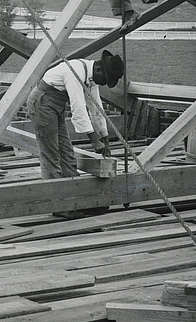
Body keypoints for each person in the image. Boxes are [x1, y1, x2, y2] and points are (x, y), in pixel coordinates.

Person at [26, 50, 124, 216]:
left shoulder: (91, 78)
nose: (102, 84)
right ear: (100, 69)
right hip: (42, 104)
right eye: (105, 80)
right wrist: (94, 140)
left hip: (55, 106)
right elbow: (79, 108)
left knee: (67, 154)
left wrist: (105, 139)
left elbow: (96, 108)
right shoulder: (76, 71)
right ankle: (58, 206)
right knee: (52, 155)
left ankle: (76, 200)